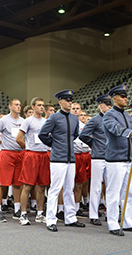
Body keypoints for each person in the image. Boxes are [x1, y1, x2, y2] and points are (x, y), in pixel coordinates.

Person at [39, 89, 85, 232]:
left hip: (70, 159)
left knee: (69, 189)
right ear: (60, 102)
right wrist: (54, 144)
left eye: (71, 100)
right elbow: (43, 134)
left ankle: (70, 218)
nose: (70, 103)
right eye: (67, 100)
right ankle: (51, 220)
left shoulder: (74, 118)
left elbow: (75, 134)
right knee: (55, 189)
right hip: (58, 158)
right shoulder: (54, 118)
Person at [102, 85, 132, 236]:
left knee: (129, 192)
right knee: (113, 192)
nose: (125, 98)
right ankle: (113, 223)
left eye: (126, 96)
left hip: (127, 158)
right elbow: (115, 129)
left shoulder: (127, 116)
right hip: (115, 159)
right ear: (114, 98)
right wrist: (131, 132)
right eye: (122, 96)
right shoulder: (109, 115)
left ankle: (128, 221)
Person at [0, 99, 25, 222]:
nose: (19, 107)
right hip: (7, 154)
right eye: (16, 105)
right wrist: (2, 143)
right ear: (10, 106)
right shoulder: (4, 120)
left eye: (20, 105)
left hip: (20, 154)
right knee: (2, 183)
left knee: (17, 184)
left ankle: (17, 209)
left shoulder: (23, 121)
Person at [79, 95, 112, 226]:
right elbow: (83, 135)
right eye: (106, 104)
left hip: (111, 157)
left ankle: (110, 212)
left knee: (111, 187)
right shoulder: (95, 120)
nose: (109, 107)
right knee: (96, 187)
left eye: (110, 104)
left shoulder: (113, 119)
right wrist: (94, 144)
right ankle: (93, 214)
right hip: (98, 156)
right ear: (100, 106)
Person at [16, 97, 49, 225]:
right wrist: (28, 147)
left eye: (42, 105)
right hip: (31, 155)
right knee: (27, 185)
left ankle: (40, 214)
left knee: (41, 186)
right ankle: (23, 214)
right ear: (33, 107)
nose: (41, 107)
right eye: (39, 105)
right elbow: (19, 138)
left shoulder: (46, 121)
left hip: (44, 155)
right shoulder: (28, 121)